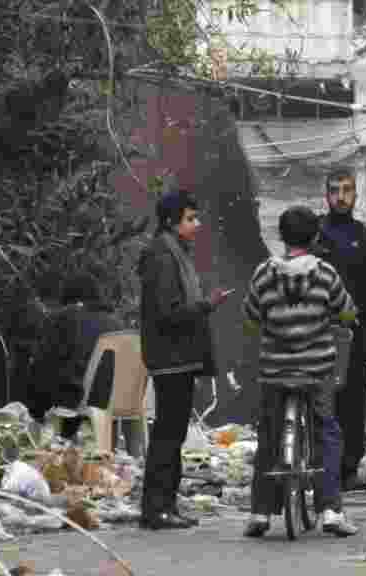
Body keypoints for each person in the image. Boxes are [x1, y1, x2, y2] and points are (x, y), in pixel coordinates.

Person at [241, 205, 359, 538]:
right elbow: (346, 312)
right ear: (315, 236)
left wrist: (269, 324)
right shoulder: (325, 274)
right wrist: (343, 319)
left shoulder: (263, 274)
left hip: (275, 371)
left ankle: (261, 513)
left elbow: (250, 316)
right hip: (316, 369)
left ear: (281, 236)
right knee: (326, 433)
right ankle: (332, 511)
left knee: (269, 435)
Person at [138, 189, 231, 530]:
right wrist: (207, 304)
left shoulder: (174, 251)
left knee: (172, 432)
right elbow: (167, 311)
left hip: (179, 357)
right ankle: (156, 508)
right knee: (168, 433)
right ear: (171, 221)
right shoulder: (162, 255)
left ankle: (165, 505)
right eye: (190, 218)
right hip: (171, 357)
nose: (197, 224)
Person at [313, 168, 366, 491]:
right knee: (319, 401)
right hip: (316, 333)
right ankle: (319, 468)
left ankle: (348, 469)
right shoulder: (314, 234)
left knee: (353, 403)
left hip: (355, 335)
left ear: (356, 195)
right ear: (326, 195)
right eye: (334, 190)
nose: (340, 196)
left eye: (346, 190)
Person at [29, 274, 126, 434]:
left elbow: (43, 366)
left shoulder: (65, 317)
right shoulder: (117, 324)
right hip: (111, 408)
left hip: (72, 408)